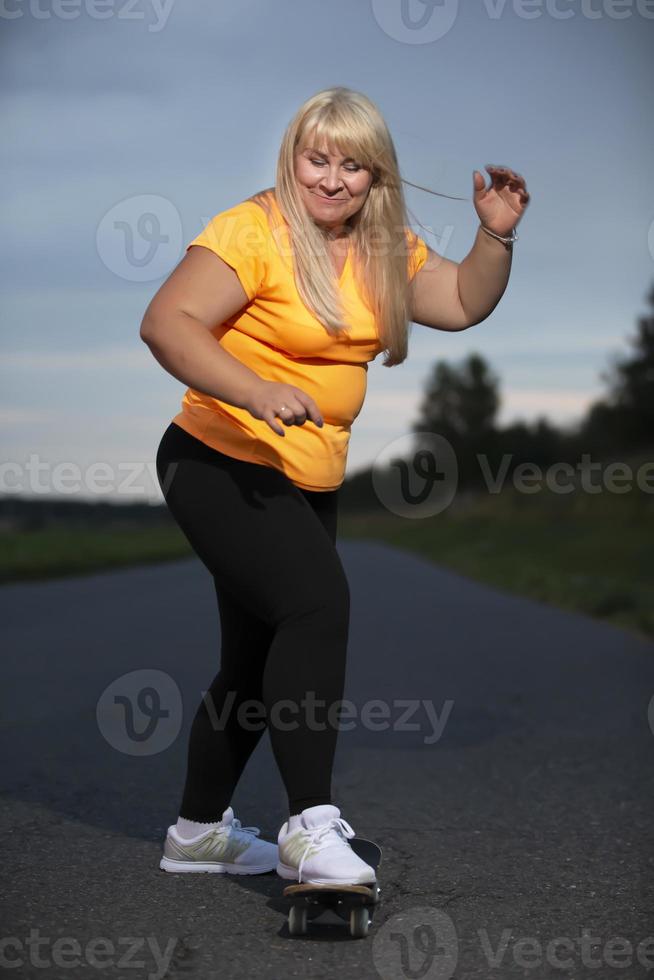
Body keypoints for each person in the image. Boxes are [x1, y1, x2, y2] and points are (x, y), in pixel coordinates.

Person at [140, 86, 530, 885]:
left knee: (254, 663)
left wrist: (495, 235)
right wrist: (251, 390)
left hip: (304, 475)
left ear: (375, 176)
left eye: (353, 165)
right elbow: (167, 321)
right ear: (293, 158)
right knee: (318, 605)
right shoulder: (253, 230)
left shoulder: (384, 249)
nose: (332, 179)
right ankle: (310, 829)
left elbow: (459, 303)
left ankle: (198, 833)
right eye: (319, 158)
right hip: (218, 458)